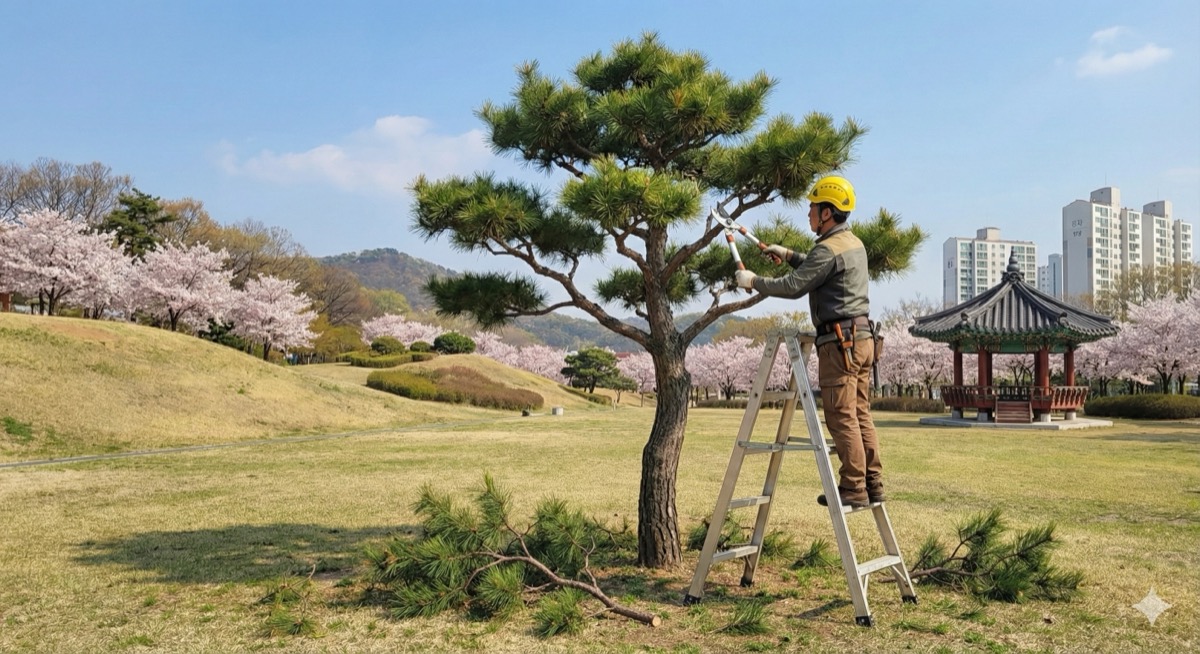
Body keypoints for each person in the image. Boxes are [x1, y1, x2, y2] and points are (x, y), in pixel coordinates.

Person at [734, 175, 883, 509]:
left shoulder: (828, 249)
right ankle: (872, 482)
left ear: (827, 212)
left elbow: (793, 287)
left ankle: (853, 488)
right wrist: (788, 254)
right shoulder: (852, 244)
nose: (809, 214)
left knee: (841, 415)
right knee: (860, 413)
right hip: (862, 339)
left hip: (839, 344)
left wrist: (753, 280)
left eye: (813, 208)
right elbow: (819, 269)